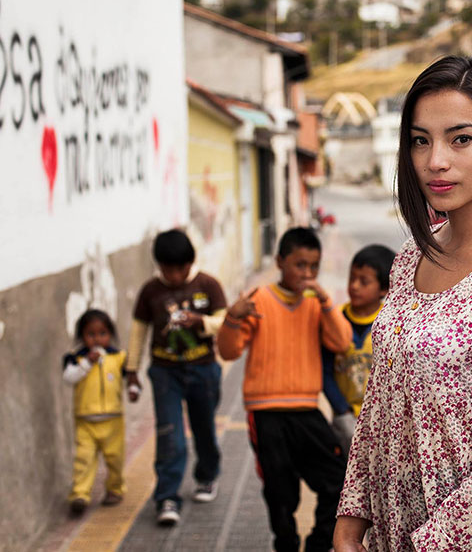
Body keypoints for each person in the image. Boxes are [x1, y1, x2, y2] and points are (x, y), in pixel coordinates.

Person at [334, 55, 472, 552]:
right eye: (421, 140)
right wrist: (351, 514)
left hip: (467, 540)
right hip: (388, 529)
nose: (435, 160)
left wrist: (432, 542)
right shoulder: (411, 256)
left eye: (461, 139)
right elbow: (377, 401)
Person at [217, 227, 352, 552]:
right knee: (280, 491)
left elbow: (341, 341)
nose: (307, 273)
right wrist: (232, 319)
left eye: (313, 266)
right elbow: (229, 352)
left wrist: (325, 301)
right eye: (299, 265)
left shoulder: (315, 304)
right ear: (279, 261)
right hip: (265, 414)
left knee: (336, 480)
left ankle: (319, 544)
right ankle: (285, 544)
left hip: (306, 410)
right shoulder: (258, 299)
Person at [125, 229, 228, 526]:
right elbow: (138, 331)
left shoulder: (208, 285)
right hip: (164, 372)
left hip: (204, 369)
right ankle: (167, 495)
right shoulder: (150, 291)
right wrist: (131, 370)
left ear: (189, 263)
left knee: (204, 428)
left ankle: (207, 475)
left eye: (177, 269)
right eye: (165, 270)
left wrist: (202, 322)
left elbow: (226, 322)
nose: (171, 276)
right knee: (169, 433)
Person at [321, 244, 397, 454]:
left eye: (364, 282)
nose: (354, 286)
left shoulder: (391, 323)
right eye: (351, 278)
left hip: (382, 419)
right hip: (344, 419)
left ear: (384, 288)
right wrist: (341, 409)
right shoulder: (335, 321)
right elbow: (325, 371)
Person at [63, 309, 130, 515]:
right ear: (81, 336)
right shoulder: (75, 358)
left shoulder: (119, 357)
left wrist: (135, 389)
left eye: (102, 333)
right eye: (91, 335)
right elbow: (69, 378)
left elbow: (131, 379)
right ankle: (80, 496)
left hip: (113, 419)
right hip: (85, 420)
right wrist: (87, 363)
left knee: (115, 458)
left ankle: (114, 489)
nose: (97, 339)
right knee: (84, 460)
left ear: (110, 334)